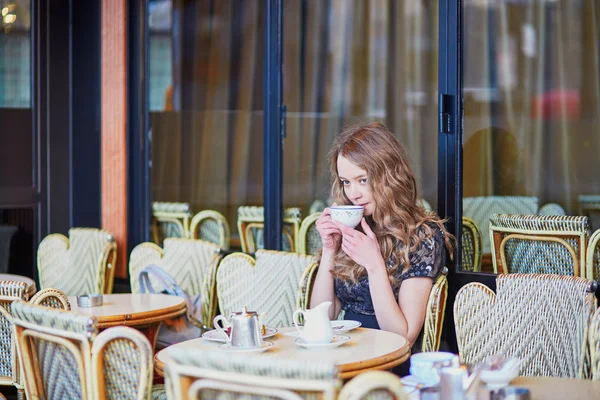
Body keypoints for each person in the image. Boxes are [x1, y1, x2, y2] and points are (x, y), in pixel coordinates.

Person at [310, 121, 454, 357]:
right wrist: (329, 250)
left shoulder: (422, 235)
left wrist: (374, 264)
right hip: (344, 352)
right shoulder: (353, 228)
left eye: (362, 180)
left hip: (388, 360)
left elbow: (402, 337)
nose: (353, 194)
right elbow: (322, 317)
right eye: (346, 182)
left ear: (389, 175)